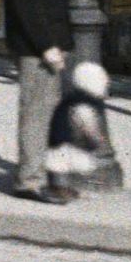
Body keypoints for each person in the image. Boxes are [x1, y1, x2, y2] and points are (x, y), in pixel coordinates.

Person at [3, 0, 77, 203]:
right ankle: (28, 182)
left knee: (47, 111)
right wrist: (46, 46)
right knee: (36, 113)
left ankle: (45, 177)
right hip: (38, 44)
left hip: (49, 40)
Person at [46, 61, 112, 193]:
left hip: (56, 147)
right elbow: (89, 129)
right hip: (65, 150)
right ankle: (66, 186)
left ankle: (61, 184)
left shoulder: (71, 99)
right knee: (92, 162)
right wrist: (98, 143)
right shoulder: (84, 104)